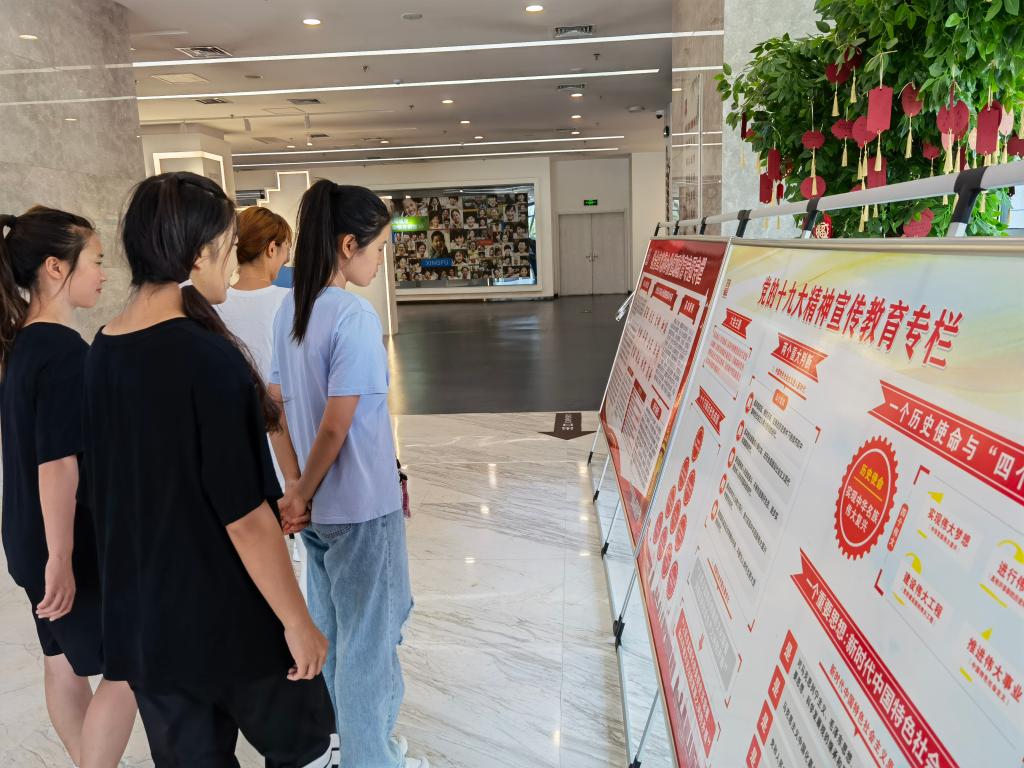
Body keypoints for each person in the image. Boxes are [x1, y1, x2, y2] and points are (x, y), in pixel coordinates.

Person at [82, 172, 334, 767]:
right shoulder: (207, 358)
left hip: (148, 622)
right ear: (198, 254)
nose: (231, 264)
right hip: (228, 615)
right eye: (227, 248)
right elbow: (244, 517)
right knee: (305, 748)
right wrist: (298, 621)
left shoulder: (103, 349)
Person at [270, 179, 426, 768]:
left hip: (320, 513)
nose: (381, 261)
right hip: (362, 507)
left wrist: (296, 489)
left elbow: (274, 410)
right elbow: (337, 427)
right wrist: (302, 490)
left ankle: (361, 747)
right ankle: (371, 759)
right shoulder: (352, 317)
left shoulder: (291, 311)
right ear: (346, 244)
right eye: (378, 248)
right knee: (371, 642)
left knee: (337, 636)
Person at [0, 207, 137, 768]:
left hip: (27, 534)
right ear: (56, 268)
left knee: (60, 659)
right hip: (64, 541)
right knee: (131, 662)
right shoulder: (64, 353)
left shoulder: (20, 345)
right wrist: (62, 557)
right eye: (96, 261)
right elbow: (57, 463)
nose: (104, 274)